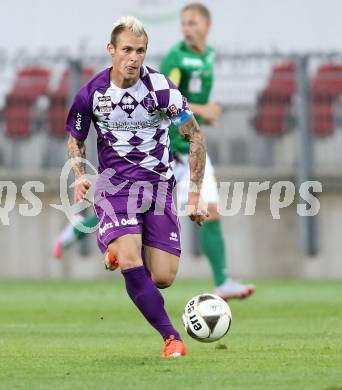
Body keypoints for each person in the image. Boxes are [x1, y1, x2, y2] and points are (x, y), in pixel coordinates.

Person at [65, 16, 207, 357]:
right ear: (111, 50)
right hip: (114, 187)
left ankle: (117, 247)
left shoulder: (161, 90)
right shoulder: (92, 94)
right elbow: (76, 139)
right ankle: (171, 338)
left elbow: (195, 137)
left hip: (158, 187)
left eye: (140, 51)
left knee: (163, 277)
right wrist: (80, 173)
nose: (133, 57)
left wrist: (195, 193)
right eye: (126, 49)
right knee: (131, 260)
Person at [160, 3, 255, 300]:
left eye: (193, 23)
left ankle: (222, 282)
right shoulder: (176, 58)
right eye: (184, 23)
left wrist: (203, 115)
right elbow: (166, 99)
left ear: (207, 26)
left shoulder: (209, 55)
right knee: (130, 207)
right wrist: (204, 110)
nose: (187, 28)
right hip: (170, 149)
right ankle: (77, 231)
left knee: (212, 211)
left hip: (194, 148)